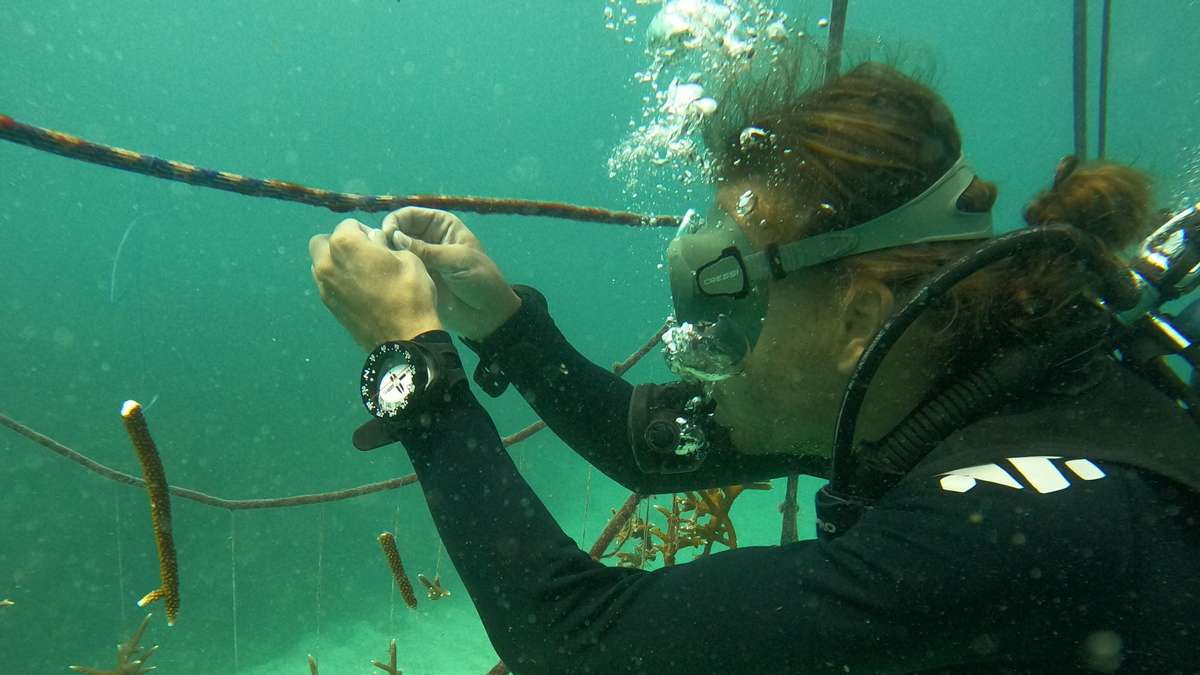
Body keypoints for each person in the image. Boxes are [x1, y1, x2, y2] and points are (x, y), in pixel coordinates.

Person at [309, 63, 1200, 674]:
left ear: (856, 314)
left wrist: (413, 364)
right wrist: (503, 325)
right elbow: (648, 444)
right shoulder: (949, 372)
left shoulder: (1005, 529)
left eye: (730, 301)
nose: (697, 342)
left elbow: (575, 643)